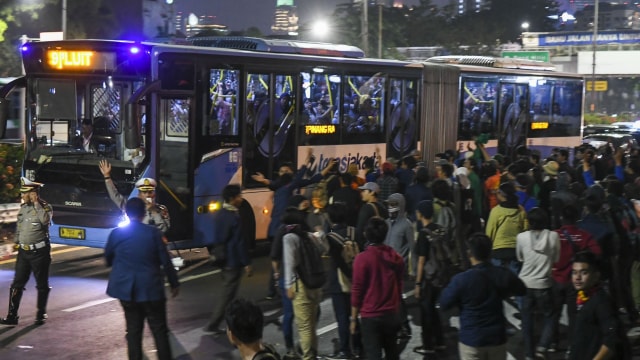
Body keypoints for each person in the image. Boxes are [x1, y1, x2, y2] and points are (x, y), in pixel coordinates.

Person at [104, 197, 180, 360]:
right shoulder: (153, 233)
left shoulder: (117, 233)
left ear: (126, 213)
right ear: (143, 213)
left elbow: (108, 259)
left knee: (133, 331)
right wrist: (174, 283)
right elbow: (165, 261)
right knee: (159, 332)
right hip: (151, 290)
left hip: (127, 291)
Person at [439, 233, 527, 360]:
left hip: (472, 338)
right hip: (496, 338)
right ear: (490, 252)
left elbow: (444, 303)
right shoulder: (502, 274)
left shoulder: (461, 280)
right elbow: (521, 290)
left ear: (470, 254)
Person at [0, 177, 52, 326]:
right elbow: (20, 227)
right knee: (17, 284)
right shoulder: (23, 209)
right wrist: (17, 242)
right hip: (24, 252)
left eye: (25, 193)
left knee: (42, 285)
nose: (22, 196)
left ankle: (41, 314)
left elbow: (45, 221)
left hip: (39, 253)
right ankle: (12, 316)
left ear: (33, 193)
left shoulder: (45, 207)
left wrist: (36, 203)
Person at [350, 217, 404, 360]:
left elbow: (357, 290)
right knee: (392, 351)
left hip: (371, 314)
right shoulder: (395, 257)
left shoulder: (362, 259)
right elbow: (399, 285)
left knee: (373, 354)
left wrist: (354, 318)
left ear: (366, 234)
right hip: (391, 312)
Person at [283, 207, 329, 360]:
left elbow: (290, 263)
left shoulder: (289, 238)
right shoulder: (309, 236)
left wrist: (288, 285)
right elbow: (324, 249)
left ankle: (308, 356)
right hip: (316, 284)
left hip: (301, 285)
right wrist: (321, 234)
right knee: (311, 325)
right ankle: (312, 354)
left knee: (304, 327)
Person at [205, 184, 252, 334]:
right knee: (227, 294)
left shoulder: (221, 213)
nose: (241, 198)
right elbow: (239, 241)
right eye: (239, 196)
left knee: (230, 294)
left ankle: (231, 322)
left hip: (223, 259)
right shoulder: (233, 216)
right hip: (232, 261)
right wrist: (247, 263)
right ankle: (214, 324)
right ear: (233, 199)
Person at [516, 208, 560, 360]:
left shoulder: (521, 237)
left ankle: (529, 354)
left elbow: (520, 257)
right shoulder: (553, 236)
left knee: (527, 319)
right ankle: (543, 345)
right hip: (544, 283)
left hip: (525, 284)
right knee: (550, 315)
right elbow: (556, 258)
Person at [568, 251, 628, 360]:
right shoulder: (580, 296)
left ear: (596, 275)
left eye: (584, 272)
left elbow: (612, 339)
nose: (577, 277)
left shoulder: (601, 302)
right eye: (574, 272)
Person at [99, 159, 170, 233]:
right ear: (139, 195)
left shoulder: (161, 209)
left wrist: (154, 212)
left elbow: (164, 230)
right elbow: (115, 196)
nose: (147, 195)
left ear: (154, 194)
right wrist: (107, 176)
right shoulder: (131, 206)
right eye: (144, 192)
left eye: (150, 192)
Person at [413, 200, 447, 355]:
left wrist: (418, 283)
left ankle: (428, 345)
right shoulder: (441, 230)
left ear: (420, 214)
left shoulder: (423, 233)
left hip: (428, 276)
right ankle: (440, 341)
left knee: (426, 312)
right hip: (441, 274)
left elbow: (421, 260)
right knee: (433, 309)